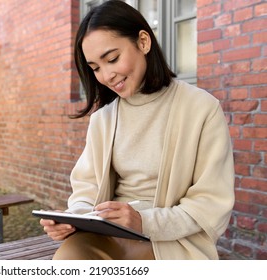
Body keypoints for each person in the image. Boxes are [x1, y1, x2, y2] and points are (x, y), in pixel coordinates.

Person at [40, 0, 235, 260]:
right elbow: (86, 189)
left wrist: (143, 222)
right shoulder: (103, 120)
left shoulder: (201, 108)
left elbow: (209, 203)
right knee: (67, 261)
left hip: (171, 240)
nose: (107, 75)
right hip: (107, 234)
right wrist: (73, 218)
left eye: (112, 59)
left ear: (143, 42)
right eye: (95, 67)